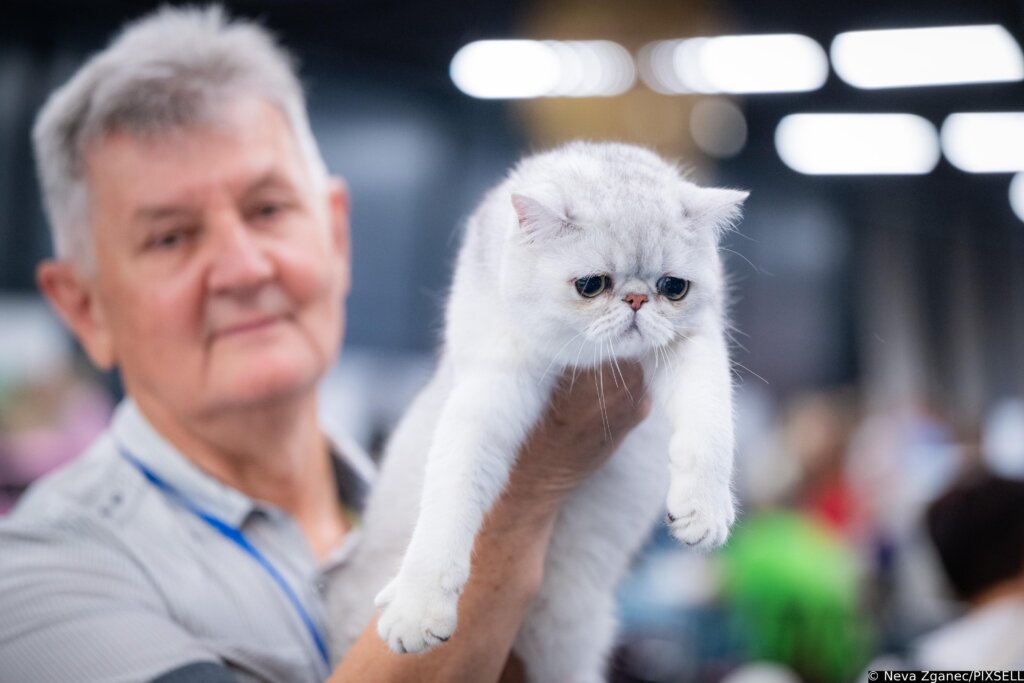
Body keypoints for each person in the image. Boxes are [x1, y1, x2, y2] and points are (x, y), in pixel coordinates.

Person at [0, 7, 650, 683]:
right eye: (171, 237)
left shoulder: (396, 495)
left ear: (336, 235)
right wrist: (526, 481)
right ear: (86, 308)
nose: (246, 268)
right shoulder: (40, 570)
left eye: (269, 209)